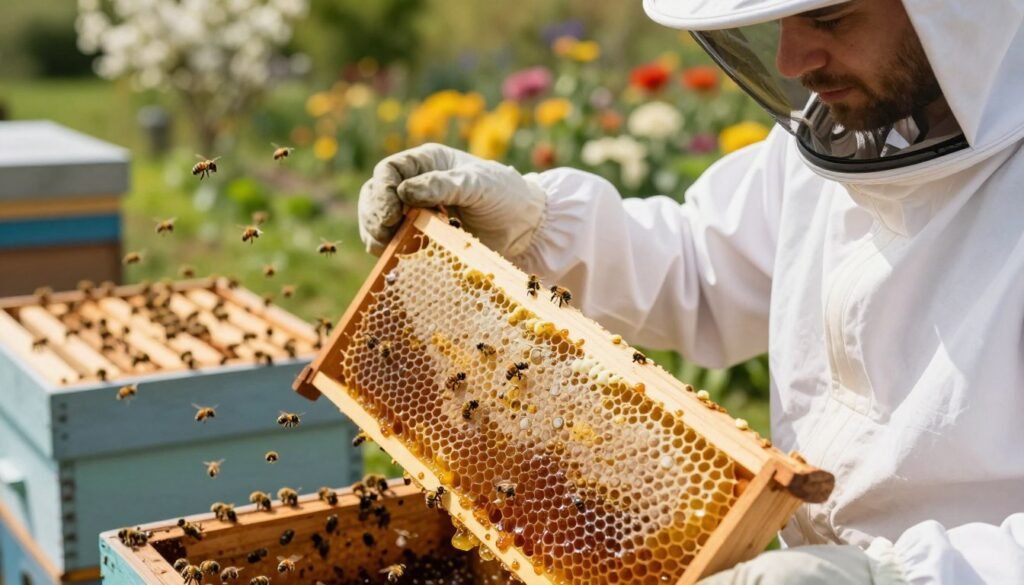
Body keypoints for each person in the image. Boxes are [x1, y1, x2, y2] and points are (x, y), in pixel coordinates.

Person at [358, 0, 1024, 582]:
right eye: (779, 21)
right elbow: (703, 265)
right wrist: (533, 223)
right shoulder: (848, 137)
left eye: (829, 17)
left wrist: (903, 578)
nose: (792, 58)